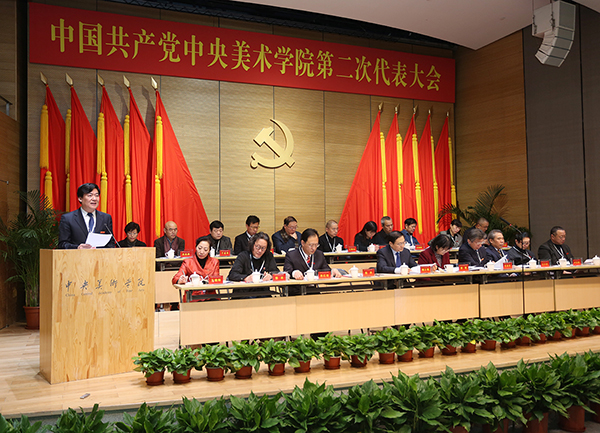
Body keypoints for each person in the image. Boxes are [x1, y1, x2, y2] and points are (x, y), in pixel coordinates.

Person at [58, 182, 115, 249]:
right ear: (80, 198)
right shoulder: (68, 218)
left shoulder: (106, 218)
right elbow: (62, 244)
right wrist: (78, 247)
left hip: (100, 255)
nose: (94, 198)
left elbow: (110, 243)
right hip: (77, 255)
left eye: (96, 195)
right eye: (90, 195)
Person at [172, 236, 219, 302]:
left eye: (205, 250)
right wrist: (180, 280)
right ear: (196, 247)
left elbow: (216, 280)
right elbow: (175, 279)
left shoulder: (215, 262)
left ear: (209, 250)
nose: (201, 252)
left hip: (209, 295)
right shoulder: (188, 262)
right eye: (199, 248)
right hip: (193, 296)